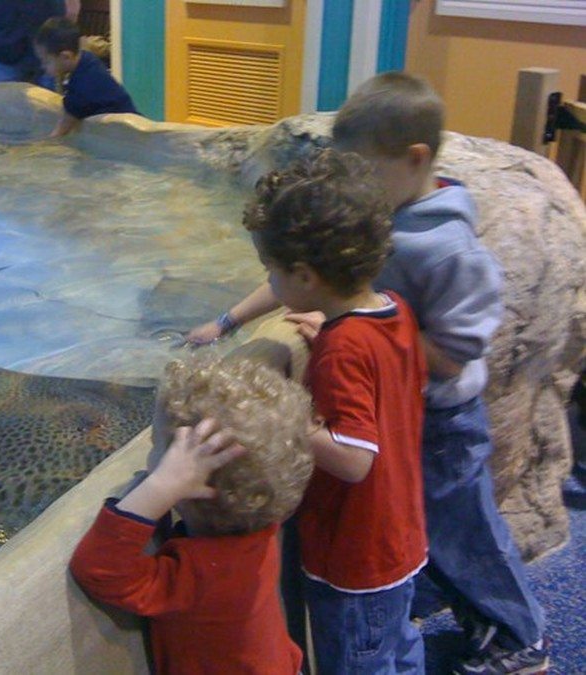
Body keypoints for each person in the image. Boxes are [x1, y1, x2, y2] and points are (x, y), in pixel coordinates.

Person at [188, 72, 549, 675]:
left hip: (446, 417)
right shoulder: (371, 231)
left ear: (414, 159)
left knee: (469, 535)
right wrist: (231, 321)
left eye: (363, 170)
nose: (355, 186)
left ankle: (521, 638)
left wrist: (344, 347)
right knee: (415, 534)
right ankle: (443, 620)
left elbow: (455, 353)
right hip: (401, 410)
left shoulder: (446, 248)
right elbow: (299, 279)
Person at [243, 147, 429, 673]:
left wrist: (285, 416)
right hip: (401, 535)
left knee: (359, 661)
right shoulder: (393, 311)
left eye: (271, 272)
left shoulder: (344, 349)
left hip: (357, 558)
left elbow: (353, 459)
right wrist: (328, 333)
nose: (272, 286)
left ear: (304, 276)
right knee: (398, 646)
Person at [69, 355, 313, 675]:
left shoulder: (199, 577)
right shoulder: (261, 527)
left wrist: (160, 488)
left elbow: (98, 568)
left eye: (156, 444)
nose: (150, 453)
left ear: (186, 483)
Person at [33, 17, 138, 137]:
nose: (43, 67)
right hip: (124, 119)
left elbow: (64, 126)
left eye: (46, 62)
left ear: (66, 57)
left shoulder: (84, 84)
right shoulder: (86, 59)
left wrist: (48, 142)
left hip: (126, 131)